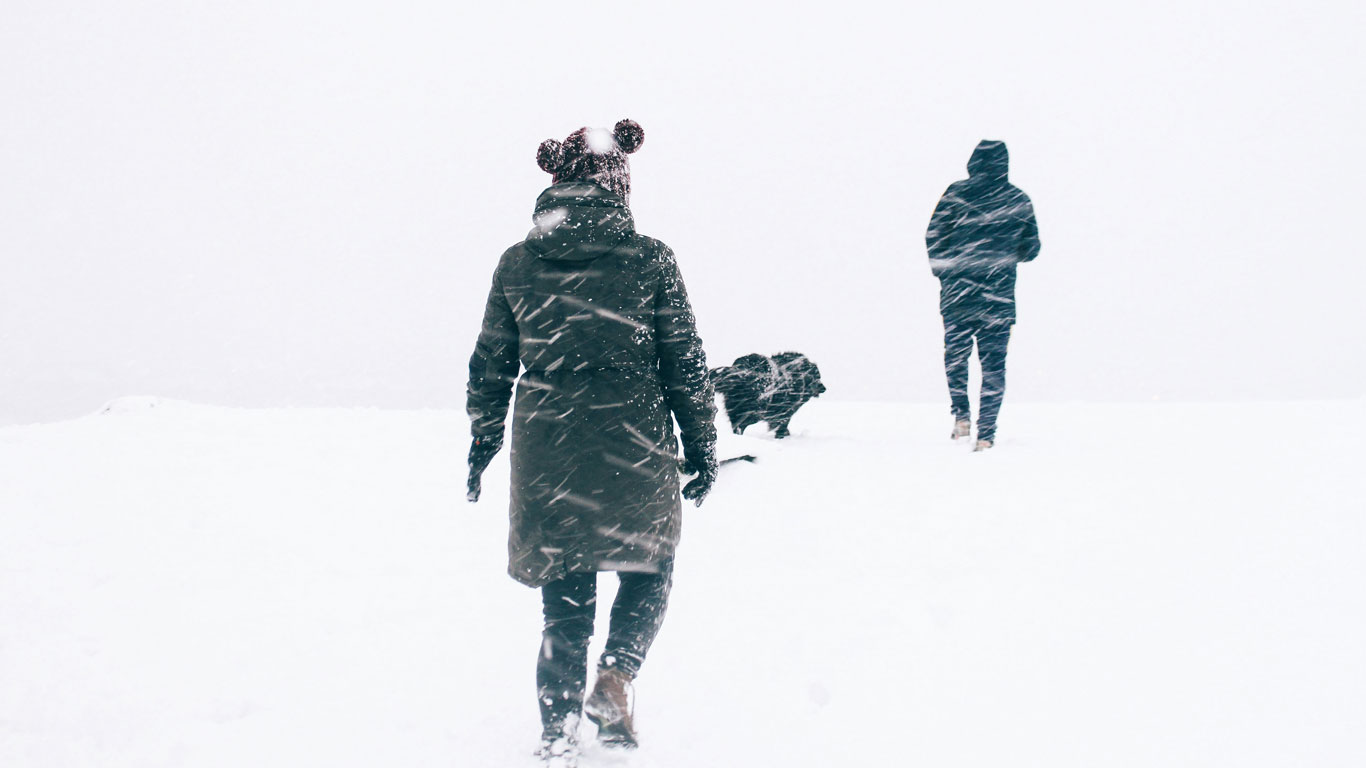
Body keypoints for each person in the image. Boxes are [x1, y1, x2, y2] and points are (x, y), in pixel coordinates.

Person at [464, 119, 717, 764]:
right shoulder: (650, 258)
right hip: (634, 435)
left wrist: (483, 438)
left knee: (566, 594)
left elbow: (491, 363)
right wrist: (701, 442)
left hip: (550, 445)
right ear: (618, 182)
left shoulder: (518, 263)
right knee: (649, 563)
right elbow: (684, 361)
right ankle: (616, 675)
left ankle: (556, 733)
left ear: (556, 179)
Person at [925, 140, 1041, 451]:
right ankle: (986, 434)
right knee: (993, 366)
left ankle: (961, 416)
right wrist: (1003, 254)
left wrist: (947, 272)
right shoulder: (1017, 199)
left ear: (972, 162)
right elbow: (1031, 249)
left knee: (956, 358)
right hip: (998, 298)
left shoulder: (955, 194)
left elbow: (934, 236)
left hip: (958, 295)